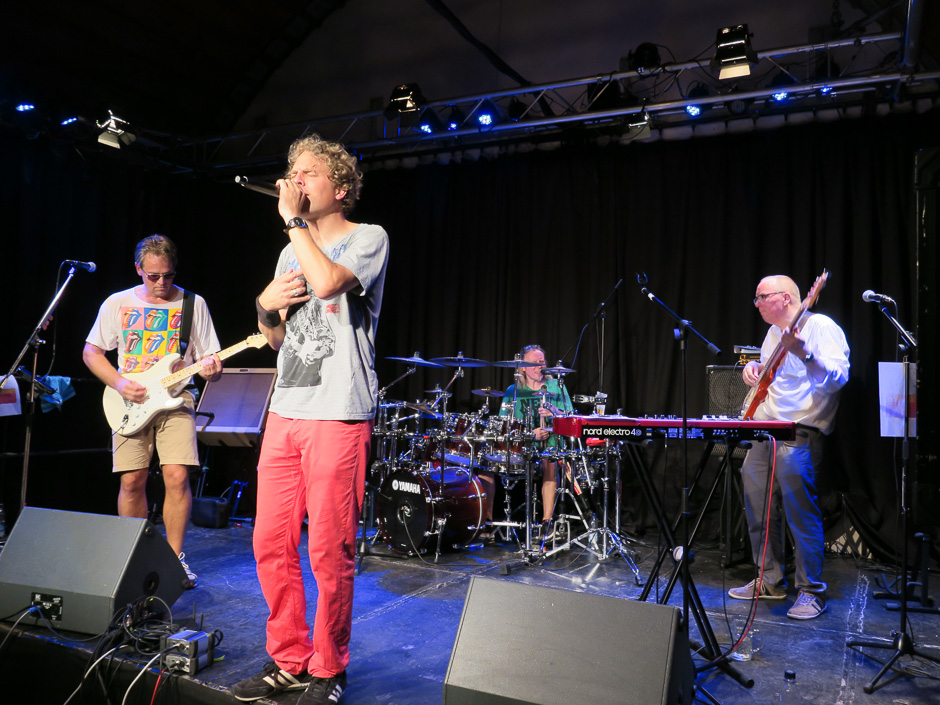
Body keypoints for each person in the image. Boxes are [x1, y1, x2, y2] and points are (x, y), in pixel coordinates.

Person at [231, 135, 388, 705]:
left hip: (338, 414)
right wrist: (264, 304)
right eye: (291, 172)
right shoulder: (289, 251)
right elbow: (277, 339)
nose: (295, 181)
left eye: (308, 173)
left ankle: (328, 669)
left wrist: (294, 223)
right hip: (286, 410)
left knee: (328, 549)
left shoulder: (367, 238)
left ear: (340, 188)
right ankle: (289, 658)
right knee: (270, 542)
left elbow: (326, 284)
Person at [83, 234, 222, 587]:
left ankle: (174, 562)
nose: (162, 283)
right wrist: (119, 383)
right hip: (130, 401)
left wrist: (211, 370)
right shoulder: (117, 302)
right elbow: (91, 352)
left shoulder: (193, 304)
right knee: (132, 480)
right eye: (153, 276)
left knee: (177, 476)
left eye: (168, 275)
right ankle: (133, 559)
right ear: (138, 269)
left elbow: (209, 358)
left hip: (177, 398)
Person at [728, 275, 849, 620]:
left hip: (799, 430)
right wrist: (754, 367)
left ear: (785, 298)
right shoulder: (772, 334)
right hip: (765, 430)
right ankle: (769, 579)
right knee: (757, 506)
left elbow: (838, 378)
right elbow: (772, 378)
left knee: (800, 511)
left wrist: (805, 353)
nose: (756, 303)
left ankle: (811, 590)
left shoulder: (821, 327)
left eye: (761, 296)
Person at [478, 344, 572, 543]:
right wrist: (530, 435)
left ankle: (547, 522)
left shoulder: (556, 386)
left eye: (542, 362)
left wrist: (554, 413)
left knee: (549, 462)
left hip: (549, 444)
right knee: (485, 466)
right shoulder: (513, 390)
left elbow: (571, 418)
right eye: (534, 363)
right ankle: (487, 522)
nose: (540, 366)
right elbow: (505, 425)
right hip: (521, 446)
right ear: (522, 367)